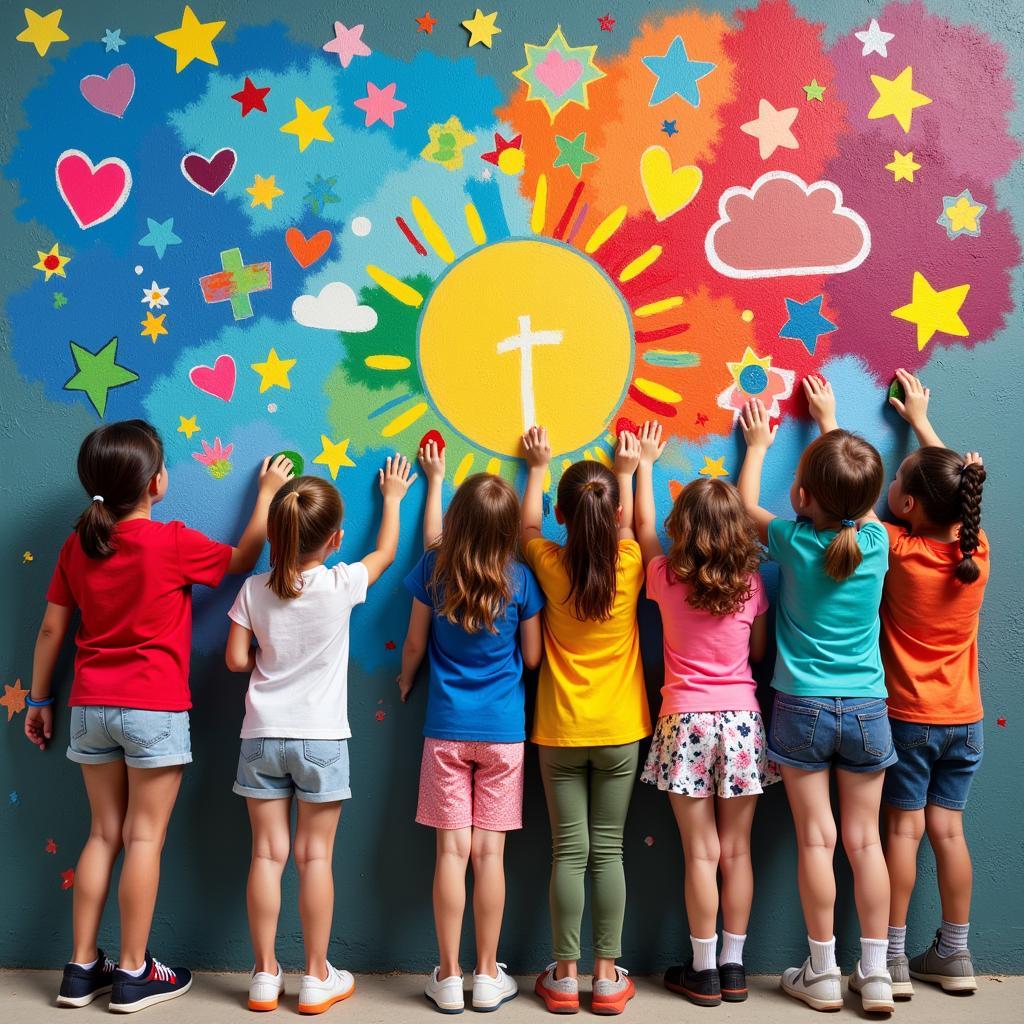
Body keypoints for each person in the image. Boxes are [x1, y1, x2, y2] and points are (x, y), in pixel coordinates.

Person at [24, 420, 292, 1012]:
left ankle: (79, 968)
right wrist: (267, 493)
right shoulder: (172, 542)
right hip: (154, 709)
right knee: (145, 837)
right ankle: (133, 972)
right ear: (155, 482)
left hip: (89, 707)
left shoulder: (77, 545)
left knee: (102, 834)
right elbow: (245, 557)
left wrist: (40, 700)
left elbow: (51, 628)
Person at [225, 457, 416, 1014]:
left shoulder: (254, 590)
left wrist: (269, 648)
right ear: (334, 539)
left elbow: (237, 660)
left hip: (259, 737)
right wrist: (395, 499)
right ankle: (314, 977)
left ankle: (263, 977)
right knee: (315, 859)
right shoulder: (340, 582)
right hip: (322, 741)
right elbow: (383, 555)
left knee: (266, 856)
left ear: (277, 535)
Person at [737, 379, 896, 1013]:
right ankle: (878, 974)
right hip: (868, 709)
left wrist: (757, 444)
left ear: (801, 495)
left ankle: (824, 970)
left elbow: (748, 503)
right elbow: (859, 504)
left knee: (816, 842)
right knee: (866, 842)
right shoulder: (878, 543)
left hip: (801, 707)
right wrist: (829, 423)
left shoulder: (794, 543)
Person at [633, 421, 778, 1006]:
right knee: (736, 850)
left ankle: (702, 970)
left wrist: (645, 463)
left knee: (700, 851)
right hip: (742, 722)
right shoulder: (750, 585)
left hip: (685, 722)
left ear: (683, 530)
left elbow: (643, 529)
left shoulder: (666, 578)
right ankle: (735, 966)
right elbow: (760, 654)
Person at [397, 441, 543, 1013]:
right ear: (510, 529)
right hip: (505, 733)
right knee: (491, 857)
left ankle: (449, 976)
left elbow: (413, 643)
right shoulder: (521, 580)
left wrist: (408, 678)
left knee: (449, 856)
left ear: (457, 520)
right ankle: (487, 975)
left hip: (445, 731)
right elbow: (531, 660)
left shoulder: (435, 569)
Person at [520, 426, 651, 1016]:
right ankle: (606, 977)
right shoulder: (629, 564)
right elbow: (630, 529)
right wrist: (628, 470)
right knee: (609, 851)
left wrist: (538, 467)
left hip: (559, 731)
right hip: (621, 730)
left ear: (563, 516)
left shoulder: (548, 563)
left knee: (568, 852)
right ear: (614, 513)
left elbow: (525, 529)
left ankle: (564, 978)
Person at [880, 369, 989, 998]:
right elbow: (957, 501)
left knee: (903, 832)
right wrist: (922, 422)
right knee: (949, 832)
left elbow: (853, 495)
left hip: (910, 719)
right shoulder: (977, 555)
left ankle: (892, 956)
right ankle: (956, 952)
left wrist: (835, 423)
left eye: (897, 482)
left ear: (909, 506)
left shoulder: (899, 549)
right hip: (964, 719)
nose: (890, 484)